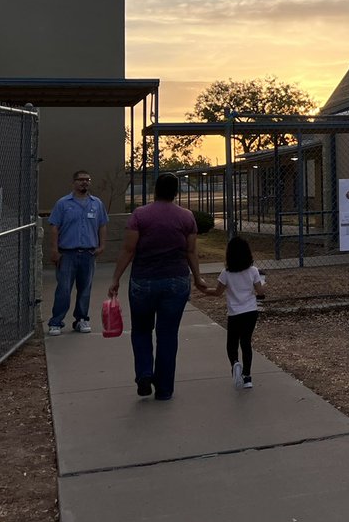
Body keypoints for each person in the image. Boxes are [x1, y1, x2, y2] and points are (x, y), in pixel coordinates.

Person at [108, 173, 210, 400]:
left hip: (143, 280)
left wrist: (116, 278)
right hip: (176, 281)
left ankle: (144, 373)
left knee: (142, 330)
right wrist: (198, 277)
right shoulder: (186, 217)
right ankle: (164, 389)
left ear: (155, 190)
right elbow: (190, 251)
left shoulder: (140, 215)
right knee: (167, 334)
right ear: (176, 192)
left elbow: (128, 249)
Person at [47, 170, 108, 335]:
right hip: (67, 254)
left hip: (88, 254)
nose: (84, 183)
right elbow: (54, 227)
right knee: (64, 289)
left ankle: (81, 319)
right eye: (81, 180)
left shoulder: (97, 204)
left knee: (85, 289)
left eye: (87, 179)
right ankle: (56, 322)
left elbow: (102, 225)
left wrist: (102, 246)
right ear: (73, 182)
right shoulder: (63, 204)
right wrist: (54, 250)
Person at [212, 236, 266, 389]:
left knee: (232, 343)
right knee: (246, 342)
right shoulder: (254, 271)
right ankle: (247, 377)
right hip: (250, 311)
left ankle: (235, 363)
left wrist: (203, 289)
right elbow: (260, 291)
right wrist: (264, 282)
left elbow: (217, 292)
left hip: (234, 313)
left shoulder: (226, 273)